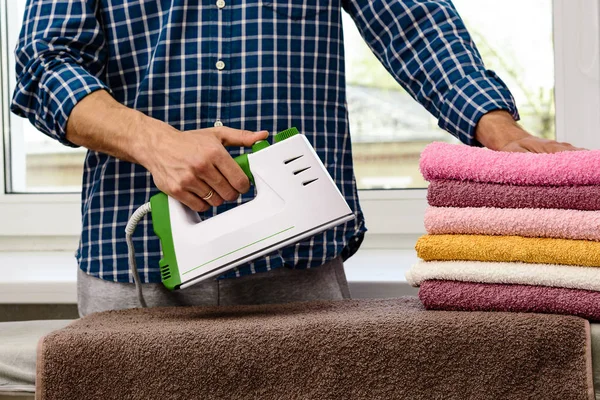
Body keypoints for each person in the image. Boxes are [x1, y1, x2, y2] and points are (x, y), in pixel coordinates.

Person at [12, 0, 579, 317]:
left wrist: (494, 125)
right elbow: (44, 64)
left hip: (297, 269)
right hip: (133, 266)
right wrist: (154, 141)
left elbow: (415, 22)